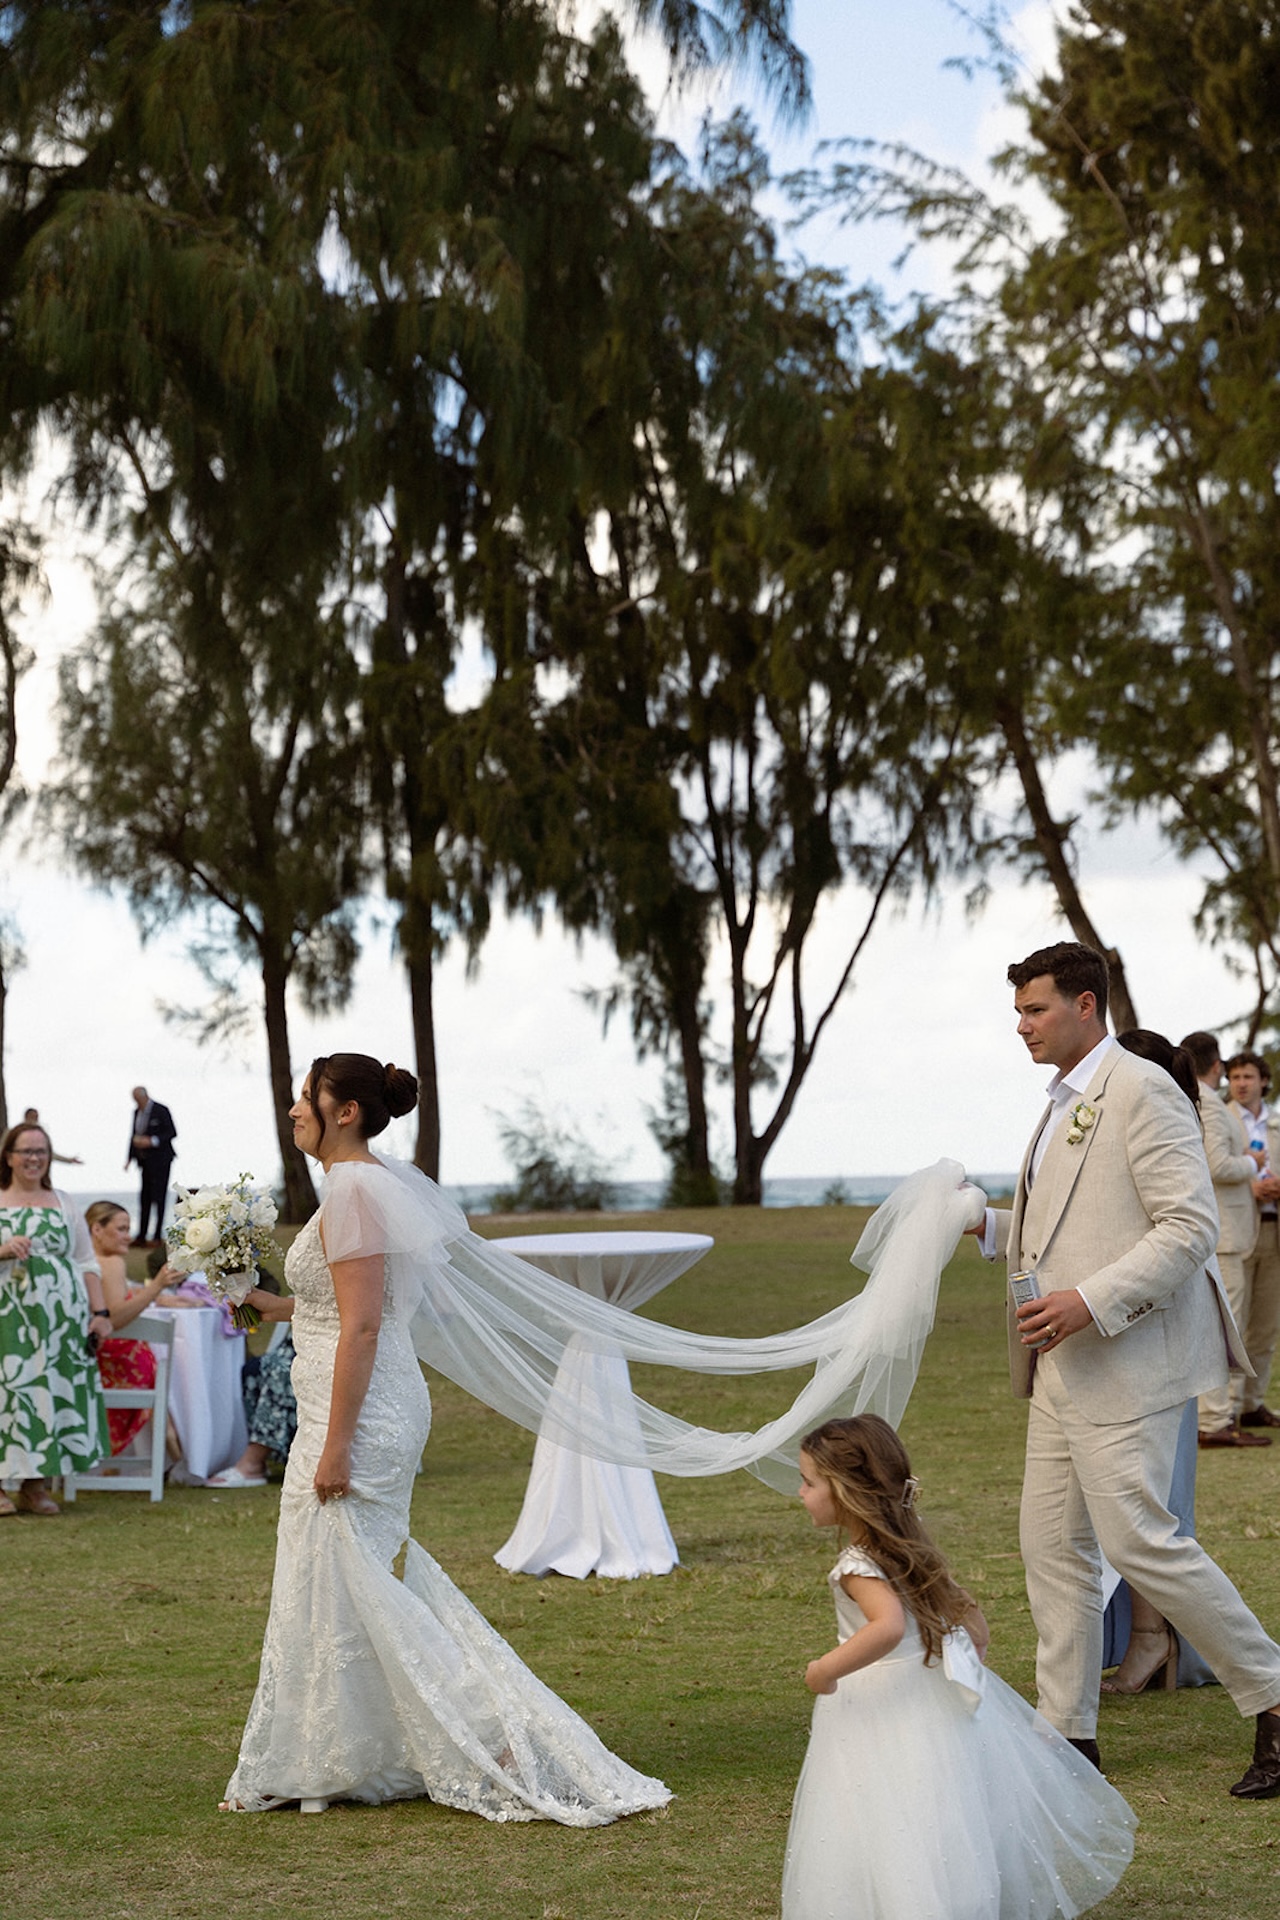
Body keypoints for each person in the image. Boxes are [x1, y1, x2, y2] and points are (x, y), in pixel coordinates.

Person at [220, 1053, 671, 1820]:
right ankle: (327, 1754)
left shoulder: (355, 1192)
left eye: (307, 1097)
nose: (295, 1109)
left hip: (359, 1415)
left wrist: (335, 1446)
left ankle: (494, 1735)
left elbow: (366, 1326)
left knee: (353, 1574)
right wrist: (269, 1304)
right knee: (329, 1574)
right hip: (348, 1403)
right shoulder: (362, 1187)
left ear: (345, 1112)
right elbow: (343, 1307)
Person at [973, 942, 1280, 1799]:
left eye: (1035, 1010)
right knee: (1051, 1548)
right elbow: (1069, 1227)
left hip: (1128, 1360)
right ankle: (1067, 1737)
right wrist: (990, 1227)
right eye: (1018, 1013)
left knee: (1141, 1541)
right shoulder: (1062, 1102)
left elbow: (1187, 1228)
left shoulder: (1142, 1090)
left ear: (1085, 1005)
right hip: (1060, 1368)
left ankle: (1274, 1691)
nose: (1023, 1027)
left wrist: (1089, 1302)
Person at [780, 1415, 1136, 1920]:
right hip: (929, 1696)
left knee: (879, 1806)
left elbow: (886, 1626)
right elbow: (966, 1611)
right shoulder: (906, 1548)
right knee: (936, 1802)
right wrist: (973, 1647)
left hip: (878, 1702)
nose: (800, 1493)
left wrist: (825, 1669)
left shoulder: (858, 1564)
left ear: (844, 1491)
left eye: (809, 1482)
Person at [1100, 1030, 1213, 1692]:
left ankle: (1153, 1637)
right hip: (1118, 1342)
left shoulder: (1158, 1131)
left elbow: (1174, 1237)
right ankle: (1145, 1637)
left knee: (1148, 1508)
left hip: (1152, 1343)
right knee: (1132, 1505)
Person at [0, 1122, 110, 1515]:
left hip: (58, 1319)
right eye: (26, 1151)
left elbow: (86, 1261)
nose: (34, 1158)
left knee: (47, 1392)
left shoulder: (63, 1202)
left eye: (41, 1151)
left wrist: (100, 1313)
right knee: (7, 1392)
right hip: (6, 1314)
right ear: (9, 1156)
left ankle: (35, 1485)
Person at [1177, 1033, 1270, 1448]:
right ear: (1217, 1066)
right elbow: (1217, 1165)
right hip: (1226, 1233)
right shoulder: (1211, 1104)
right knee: (1224, 1328)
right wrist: (1252, 1162)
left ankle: (1226, 1413)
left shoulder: (1196, 1099)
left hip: (1233, 1231)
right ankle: (1215, 1420)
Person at [85, 1200, 196, 1456]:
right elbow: (114, 1319)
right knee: (175, 1365)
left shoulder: (89, 1262)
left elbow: (111, 1297)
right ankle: (176, 1447)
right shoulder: (111, 1263)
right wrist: (157, 1286)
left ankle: (166, 1440)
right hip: (115, 1362)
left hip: (92, 1360)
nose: (128, 1236)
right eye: (121, 1229)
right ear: (97, 1229)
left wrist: (156, 1296)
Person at [1224, 1050, 1280, 1433]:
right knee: (1235, 1323)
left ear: (1263, 1081)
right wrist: (1251, 1188)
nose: (1241, 1084)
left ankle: (1252, 1403)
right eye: (1234, 1077)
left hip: (1274, 1230)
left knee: (1265, 1325)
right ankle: (1226, 1410)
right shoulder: (1222, 1119)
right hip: (1237, 1229)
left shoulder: (1276, 1121)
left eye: (1247, 1076)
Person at [125, 1085, 177, 1244]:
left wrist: (152, 1141)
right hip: (144, 1161)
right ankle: (142, 1235)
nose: (136, 1102)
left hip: (161, 1160)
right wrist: (129, 1158)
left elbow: (172, 1132)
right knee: (145, 1198)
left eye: (138, 1099)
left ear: (144, 1096)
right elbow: (133, 1136)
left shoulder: (161, 1110)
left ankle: (157, 1235)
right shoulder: (136, 1112)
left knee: (159, 1197)